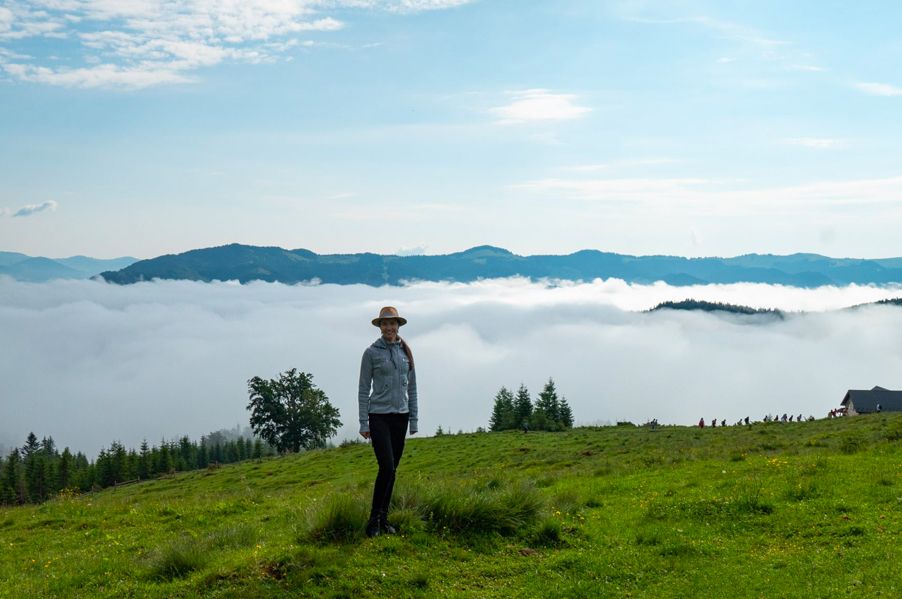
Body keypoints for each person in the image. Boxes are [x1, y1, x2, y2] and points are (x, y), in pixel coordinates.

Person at [359, 306, 418, 538]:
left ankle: (384, 519)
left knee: (392, 470)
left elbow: (412, 388)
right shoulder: (371, 353)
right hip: (379, 417)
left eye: (393, 323)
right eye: (385, 324)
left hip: (401, 417)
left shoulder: (406, 353)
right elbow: (363, 389)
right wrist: (364, 422)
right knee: (386, 467)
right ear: (380, 327)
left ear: (398, 326)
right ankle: (373, 521)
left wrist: (413, 419)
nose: (389, 327)